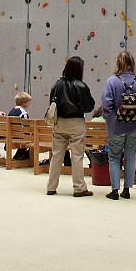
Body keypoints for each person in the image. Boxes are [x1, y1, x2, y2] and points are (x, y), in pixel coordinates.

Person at [101, 51, 136, 200]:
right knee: (130, 157)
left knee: (114, 157)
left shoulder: (112, 81)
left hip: (116, 127)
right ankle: (127, 190)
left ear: (118, 63)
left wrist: (112, 116)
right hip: (135, 127)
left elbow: (106, 102)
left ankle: (115, 190)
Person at [46, 56, 96, 197]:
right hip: (76, 123)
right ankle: (79, 188)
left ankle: (51, 187)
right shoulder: (81, 85)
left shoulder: (57, 85)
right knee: (77, 156)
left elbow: (51, 103)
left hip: (59, 122)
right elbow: (89, 106)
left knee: (56, 156)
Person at [8, 92, 32, 161]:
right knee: (33, 138)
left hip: (11, 135)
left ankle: (19, 155)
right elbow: (27, 128)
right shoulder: (23, 113)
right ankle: (23, 156)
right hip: (19, 136)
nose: (29, 104)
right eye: (28, 102)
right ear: (24, 102)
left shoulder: (12, 111)